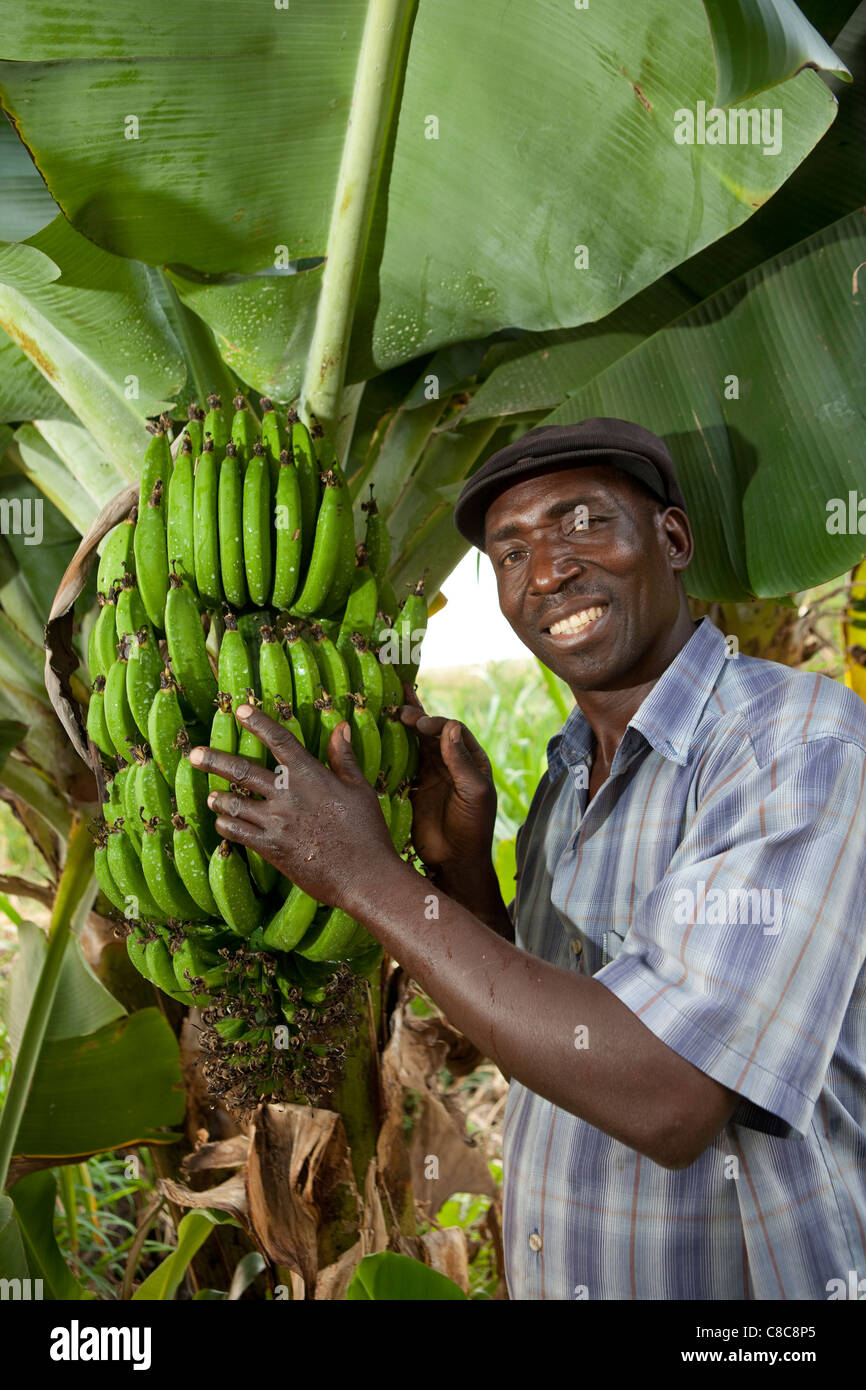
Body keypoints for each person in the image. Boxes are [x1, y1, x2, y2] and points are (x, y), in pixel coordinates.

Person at [190, 417, 866, 1301]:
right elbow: (552, 1043)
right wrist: (461, 873)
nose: (547, 573)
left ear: (672, 539)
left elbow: (669, 1095)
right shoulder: (568, 772)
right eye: (510, 555)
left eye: (583, 523)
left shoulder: (794, 742)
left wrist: (363, 877)